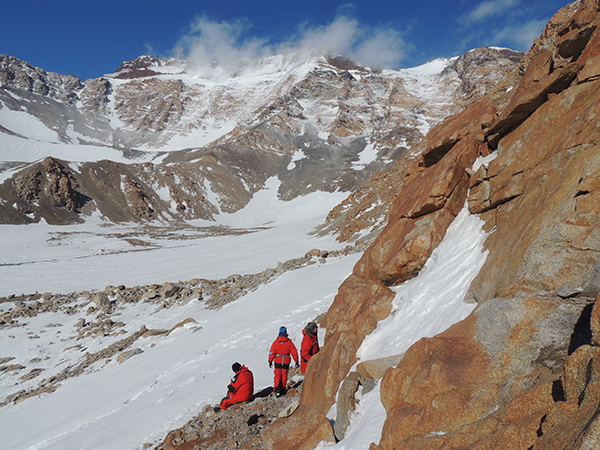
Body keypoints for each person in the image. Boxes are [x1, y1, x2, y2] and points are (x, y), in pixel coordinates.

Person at [268, 326, 299, 397]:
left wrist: (270, 360)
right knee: (284, 374)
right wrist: (296, 361)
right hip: (286, 360)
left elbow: (272, 352)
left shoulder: (276, 342)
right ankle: (283, 388)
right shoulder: (289, 342)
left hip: (278, 360)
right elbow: (294, 352)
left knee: (277, 374)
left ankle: (276, 389)